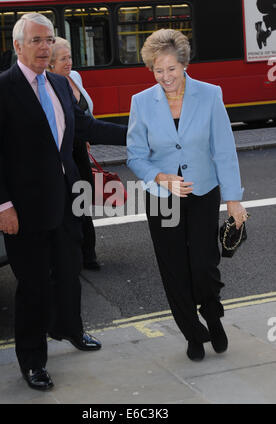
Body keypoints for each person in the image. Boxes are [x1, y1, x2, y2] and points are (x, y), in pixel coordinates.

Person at [0, 13, 127, 391]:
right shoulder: (0, 89)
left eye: (49, 40)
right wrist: (2, 206)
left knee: (69, 271)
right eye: (37, 41)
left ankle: (71, 330)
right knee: (34, 287)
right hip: (24, 211)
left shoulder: (60, 84)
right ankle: (33, 361)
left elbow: (86, 126)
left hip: (66, 201)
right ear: (18, 46)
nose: (45, 47)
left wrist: (137, 134)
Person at [127, 29, 248, 362]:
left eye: (171, 69)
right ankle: (192, 333)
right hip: (162, 197)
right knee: (174, 268)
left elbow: (223, 149)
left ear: (184, 64)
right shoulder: (141, 102)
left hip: (203, 192)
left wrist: (233, 199)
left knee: (203, 264)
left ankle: (211, 313)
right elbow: (135, 155)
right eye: (157, 70)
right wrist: (160, 177)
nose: (165, 77)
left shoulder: (210, 95)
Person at [48, 37, 99, 271]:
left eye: (69, 57)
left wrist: (87, 136)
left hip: (80, 150)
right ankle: (73, 257)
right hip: (64, 153)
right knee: (69, 206)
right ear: (50, 64)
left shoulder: (75, 77)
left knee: (83, 203)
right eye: (63, 59)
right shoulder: (49, 85)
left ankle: (88, 254)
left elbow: (86, 112)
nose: (69, 62)